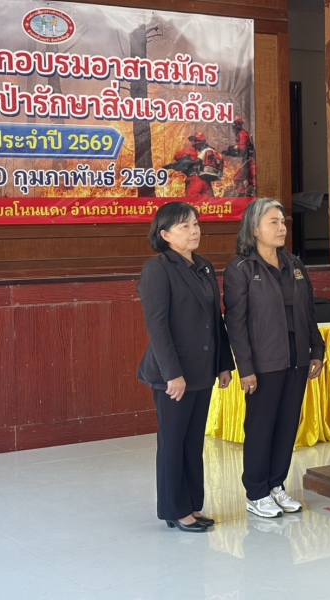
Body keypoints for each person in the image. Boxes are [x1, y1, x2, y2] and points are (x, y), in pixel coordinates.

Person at [224, 199, 325, 518]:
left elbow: (308, 311)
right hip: (263, 361)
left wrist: (317, 350)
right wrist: (245, 368)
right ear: (255, 229)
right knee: (261, 426)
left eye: (283, 222)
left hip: (296, 358)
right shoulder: (241, 268)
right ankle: (256, 492)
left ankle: (276, 484)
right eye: (274, 222)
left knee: (287, 424)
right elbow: (236, 323)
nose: (282, 228)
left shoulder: (294, 264)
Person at [137, 202, 235, 532]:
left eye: (195, 224)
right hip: (174, 374)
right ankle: (175, 510)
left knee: (193, 442)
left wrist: (223, 364)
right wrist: (172, 374)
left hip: (202, 370)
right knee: (173, 442)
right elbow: (158, 326)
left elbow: (215, 320)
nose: (194, 231)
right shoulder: (158, 269)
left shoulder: (203, 266)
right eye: (184, 226)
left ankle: (192, 504)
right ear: (165, 235)